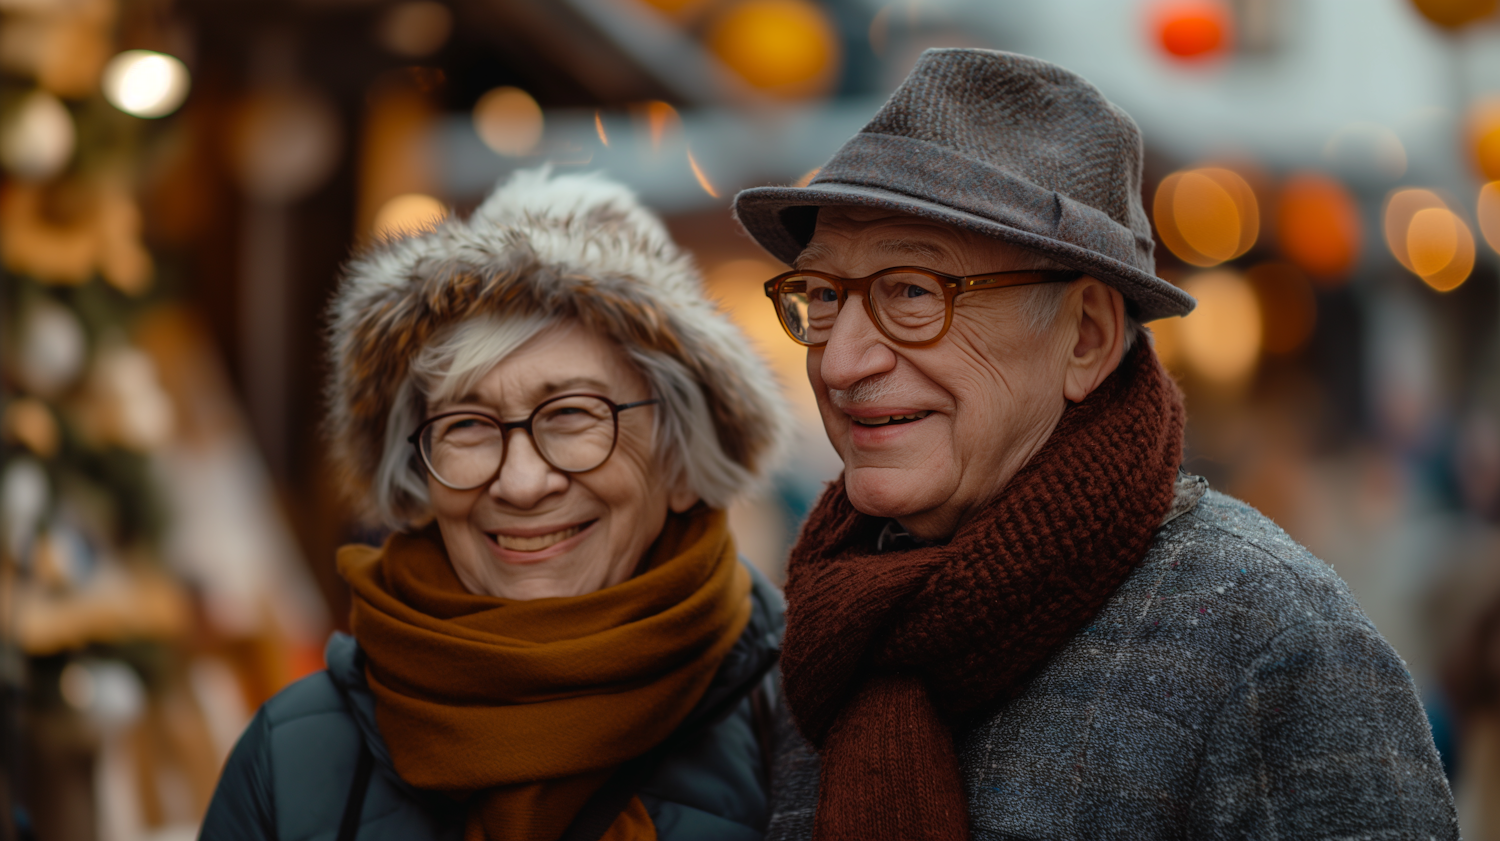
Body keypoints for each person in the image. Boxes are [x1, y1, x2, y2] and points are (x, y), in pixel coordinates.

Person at [732, 49, 1459, 840]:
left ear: (1085, 337)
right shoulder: (815, 638)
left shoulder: (1272, 642)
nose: (839, 362)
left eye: (912, 292)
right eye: (825, 296)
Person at [201, 169, 790, 841]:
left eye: (572, 415)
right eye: (468, 425)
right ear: (418, 478)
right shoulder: (293, 755)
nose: (521, 482)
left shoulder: (803, 723)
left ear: (680, 461)